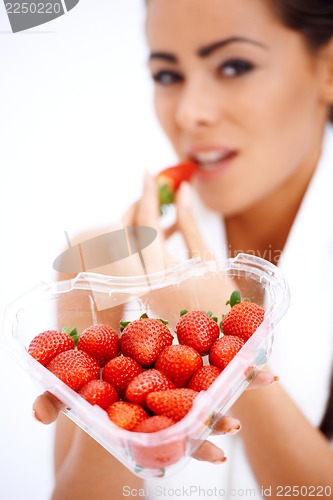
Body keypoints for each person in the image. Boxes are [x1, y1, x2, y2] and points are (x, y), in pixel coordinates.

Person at [33, 0, 333, 498]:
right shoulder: (100, 265)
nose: (189, 114)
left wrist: (225, 341)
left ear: (326, 68)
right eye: (168, 74)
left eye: (234, 66)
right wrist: (112, 397)